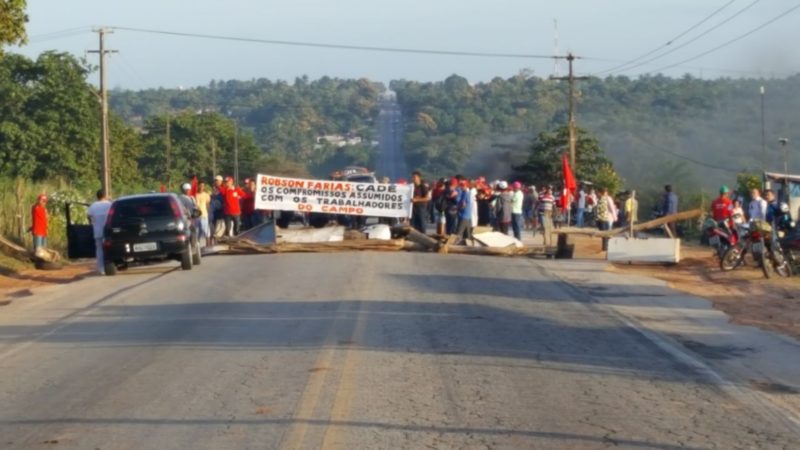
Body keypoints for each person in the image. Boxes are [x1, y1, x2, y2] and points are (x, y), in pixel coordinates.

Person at [87, 190, 112, 275]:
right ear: (105, 195)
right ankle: (110, 266)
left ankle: (101, 269)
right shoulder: (109, 204)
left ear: (97, 196)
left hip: (97, 230)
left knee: (99, 250)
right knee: (110, 249)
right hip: (108, 231)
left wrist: (92, 223)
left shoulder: (93, 205)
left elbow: (89, 216)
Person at [454, 179, 473, 243]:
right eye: (461, 185)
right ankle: (468, 245)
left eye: (463, 185)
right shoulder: (466, 193)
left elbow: (463, 204)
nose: (461, 187)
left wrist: (457, 208)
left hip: (463, 215)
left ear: (466, 186)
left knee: (458, 232)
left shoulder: (465, 194)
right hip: (468, 216)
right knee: (467, 234)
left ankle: (455, 245)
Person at [194, 181, 212, 248]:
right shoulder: (195, 195)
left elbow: (208, 205)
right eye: (200, 185)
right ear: (198, 186)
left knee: (205, 229)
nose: (202, 187)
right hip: (196, 216)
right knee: (197, 231)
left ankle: (208, 244)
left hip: (204, 215)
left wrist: (208, 214)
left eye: (203, 186)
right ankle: (197, 245)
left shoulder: (206, 195)